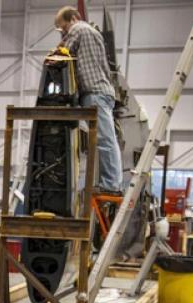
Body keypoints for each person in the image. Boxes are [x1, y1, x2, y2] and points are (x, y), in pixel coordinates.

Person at [55, 6, 123, 192]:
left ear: (72, 20)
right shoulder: (90, 32)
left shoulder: (79, 28)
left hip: (96, 93)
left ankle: (111, 184)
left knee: (105, 139)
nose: (64, 33)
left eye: (63, 28)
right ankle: (110, 182)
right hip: (99, 92)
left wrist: (56, 51)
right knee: (104, 139)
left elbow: (62, 53)